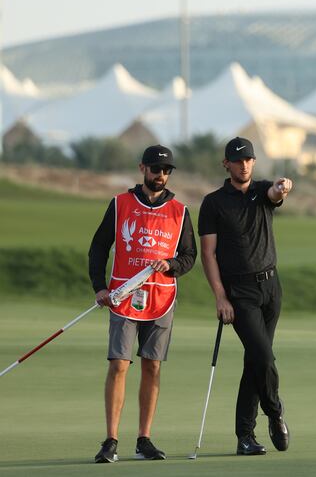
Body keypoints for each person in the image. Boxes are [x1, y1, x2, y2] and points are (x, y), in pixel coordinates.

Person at [88, 145, 197, 463]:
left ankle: (144, 439)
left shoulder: (180, 210)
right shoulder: (121, 204)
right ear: (142, 169)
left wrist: (172, 266)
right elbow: (98, 249)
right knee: (119, 365)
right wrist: (99, 287)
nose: (160, 175)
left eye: (165, 170)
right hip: (123, 297)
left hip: (162, 299)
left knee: (152, 366)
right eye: (155, 169)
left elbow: (189, 257)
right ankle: (110, 440)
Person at [198, 136, 293, 456]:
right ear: (226, 164)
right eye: (237, 161)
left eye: (248, 160)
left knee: (255, 360)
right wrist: (220, 298)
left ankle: (245, 437)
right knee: (264, 357)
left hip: (271, 288)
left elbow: (274, 193)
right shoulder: (213, 202)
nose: (244, 165)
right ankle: (275, 411)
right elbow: (208, 255)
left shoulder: (261, 190)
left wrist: (281, 188)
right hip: (240, 293)